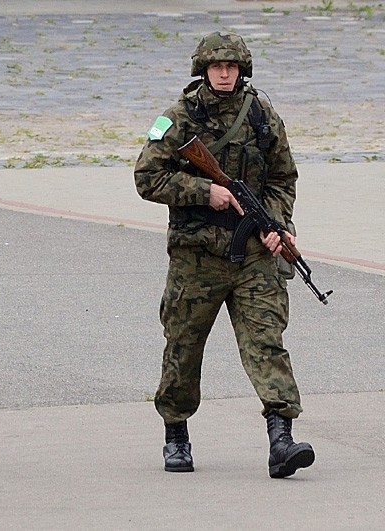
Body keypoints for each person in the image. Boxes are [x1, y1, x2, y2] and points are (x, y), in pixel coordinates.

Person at [134, 32, 314, 478]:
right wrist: (204, 191)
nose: (224, 73)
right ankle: (175, 434)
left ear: (242, 70)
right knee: (183, 347)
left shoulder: (261, 115)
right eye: (217, 66)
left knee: (267, 342)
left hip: (253, 256)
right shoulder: (178, 117)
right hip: (196, 258)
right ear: (203, 69)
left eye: (232, 66)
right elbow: (147, 177)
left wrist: (277, 226)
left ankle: (281, 440)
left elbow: (282, 178)